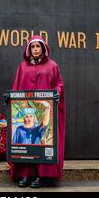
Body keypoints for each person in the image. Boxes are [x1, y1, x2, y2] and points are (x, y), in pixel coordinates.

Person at [9, 35, 65, 188]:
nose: (35, 49)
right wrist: (11, 97)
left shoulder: (52, 66)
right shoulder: (22, 67)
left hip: (45, 110)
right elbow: (16, 86)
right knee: (26, 142)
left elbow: (59, 84)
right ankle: (26, 175)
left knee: (42, 141)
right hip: (28, 111)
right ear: (28, 50)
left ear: (43, 49)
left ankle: (42, 176)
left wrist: (56, 92)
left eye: (38, 47)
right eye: (32, 47)